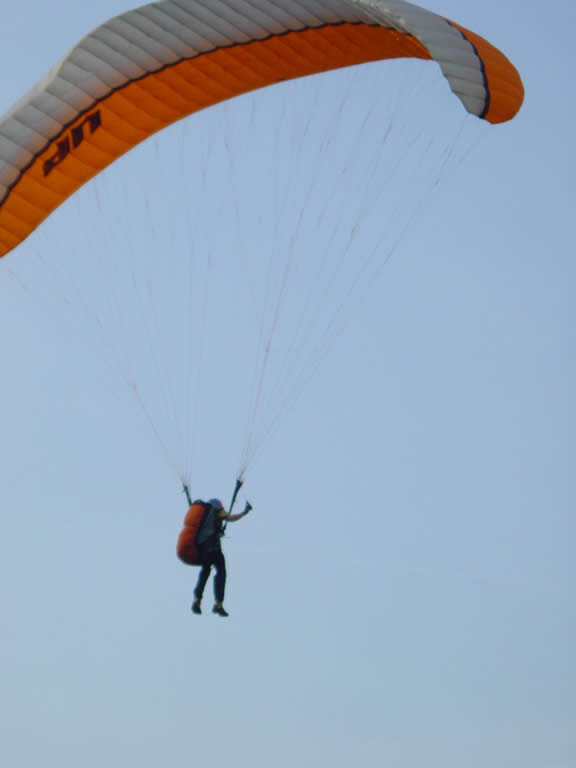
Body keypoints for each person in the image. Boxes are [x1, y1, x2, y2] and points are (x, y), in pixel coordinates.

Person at [192, 498, 249, 617]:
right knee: (221, 573)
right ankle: (218, 604)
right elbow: (230, 518)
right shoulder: (216, 510)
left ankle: (196, 600)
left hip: (203, 550)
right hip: (214, 549)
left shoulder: (201, 514)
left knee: (205, 573)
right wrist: (244, 512)